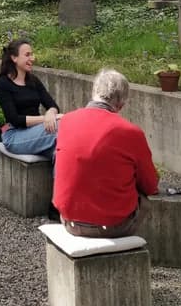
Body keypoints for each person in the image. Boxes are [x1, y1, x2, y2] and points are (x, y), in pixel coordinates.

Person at [53, 69, 159, 238]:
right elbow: (150, 184)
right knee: (144, 198)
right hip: (113, 225)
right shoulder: (130, 132)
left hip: (69, 220)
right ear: (122, 104)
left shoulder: (66, 121)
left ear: (93, 93)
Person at [0, 39, 61, 160]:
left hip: (36, 131)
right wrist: (45, 119)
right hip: (15, 136)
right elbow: (14, 119)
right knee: (60, 128)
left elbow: (52, 105)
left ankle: (59, 179)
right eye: (27, 55)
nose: (32, 58)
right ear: (14, 58)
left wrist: (51, 113)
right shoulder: (2, 84)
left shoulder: (33, 80)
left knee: (62, 151)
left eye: (32, 54)